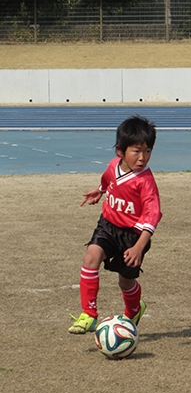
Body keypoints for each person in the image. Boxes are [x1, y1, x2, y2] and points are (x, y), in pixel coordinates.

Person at [68, 115, 162, 334]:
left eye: (147, 151)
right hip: (107, 226)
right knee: (91, 256)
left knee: (125, 283)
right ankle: (89, 315)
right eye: (136, 151)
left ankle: (134, 310)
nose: (142, 157)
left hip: (133, 236)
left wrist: (139, 247)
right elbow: (108, 180)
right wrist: (99, 191)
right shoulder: (113, 166)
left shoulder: (145, 182)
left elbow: (152, 216)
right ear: (120, 151)